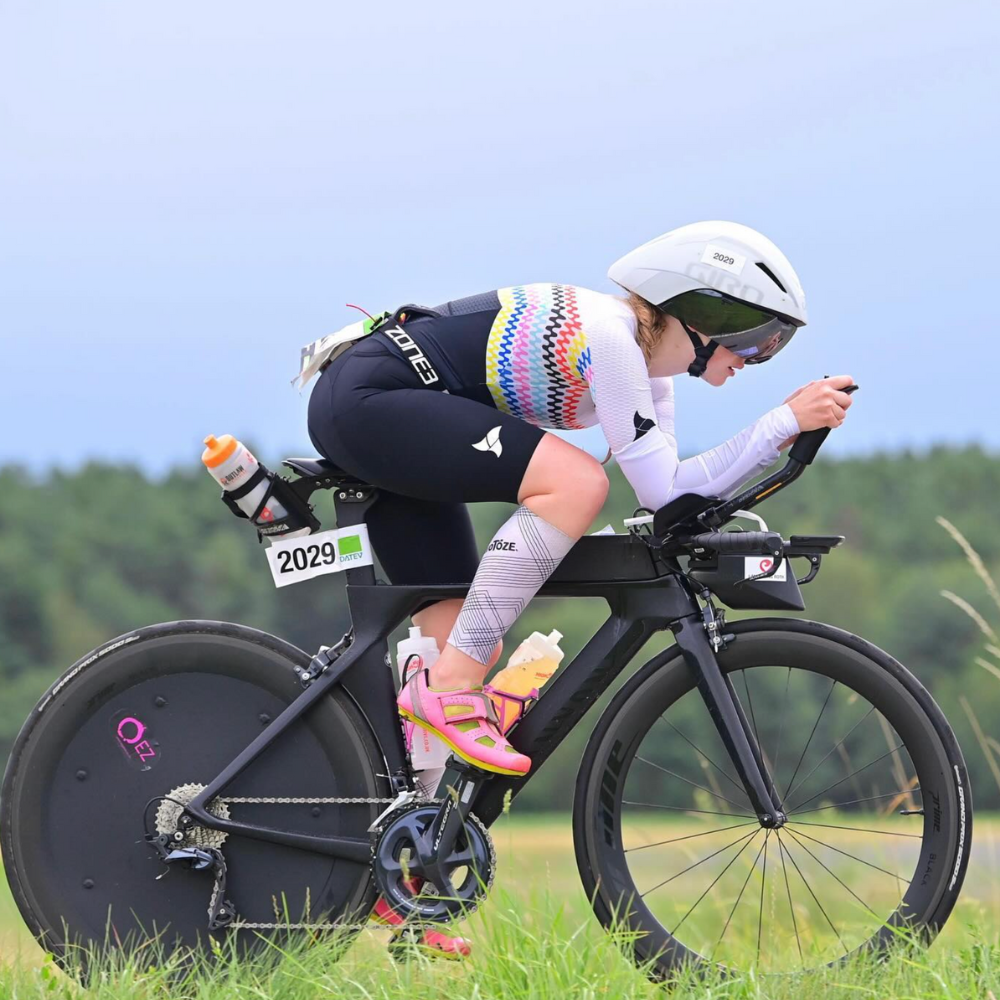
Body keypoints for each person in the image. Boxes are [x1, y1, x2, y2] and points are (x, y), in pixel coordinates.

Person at [306, 220, 853, 955]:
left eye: (773, 345)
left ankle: (403, 884)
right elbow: (651, 485)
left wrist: (778, 434)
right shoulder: (614, 337)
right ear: (702, 313)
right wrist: (782, 420)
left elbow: (670, 494)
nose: (759, 357)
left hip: (398, 411)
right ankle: (454, 687)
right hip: (372, 400)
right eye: (754, 337)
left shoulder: (646, 371)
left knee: (461, 629)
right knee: (575, 482)